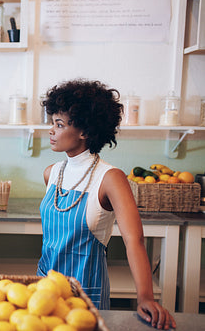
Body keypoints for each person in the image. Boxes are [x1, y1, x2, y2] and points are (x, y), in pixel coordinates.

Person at [37, 79, 176, 330]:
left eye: (59, 124)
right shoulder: (51, 173)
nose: (51, 130)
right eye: (52, 122)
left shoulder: (110, 178)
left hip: (87, 293)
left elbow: (134, 240)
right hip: (44, 290)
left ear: (85, 132)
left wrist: (145, 297)